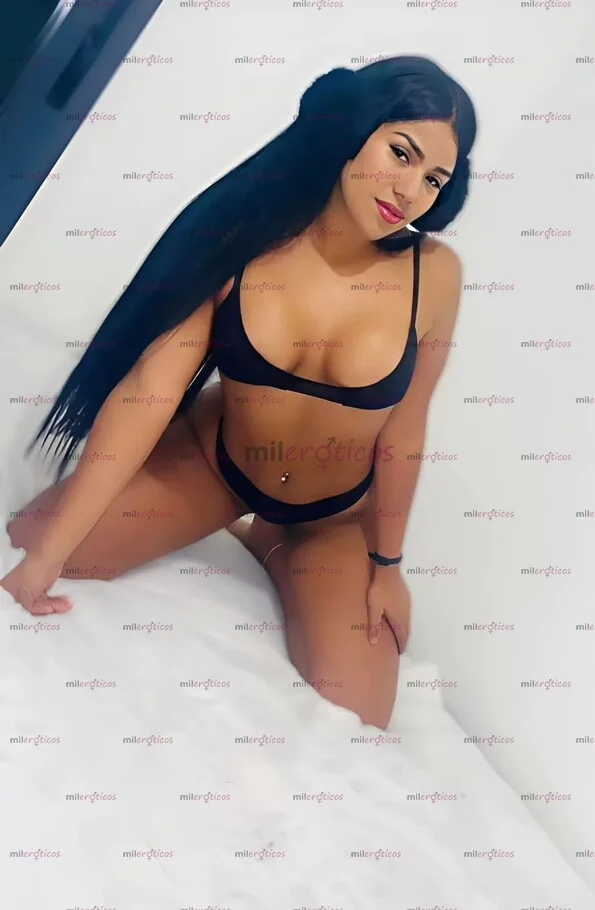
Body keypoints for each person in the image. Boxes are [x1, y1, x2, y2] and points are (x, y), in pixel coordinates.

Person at [1, 55, 476, 729]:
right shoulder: (249, 235)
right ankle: (214, 509)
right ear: (354, 127)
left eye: (434, 180)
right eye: (401, 153)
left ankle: (270, 539)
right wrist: (45, 560)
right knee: (34, 539)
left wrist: (388, 565)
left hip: (331, 516)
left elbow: (405, 426)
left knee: (360, 711)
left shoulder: (436, 275)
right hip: (218, 462)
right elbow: (151, 387)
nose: (410, 190)